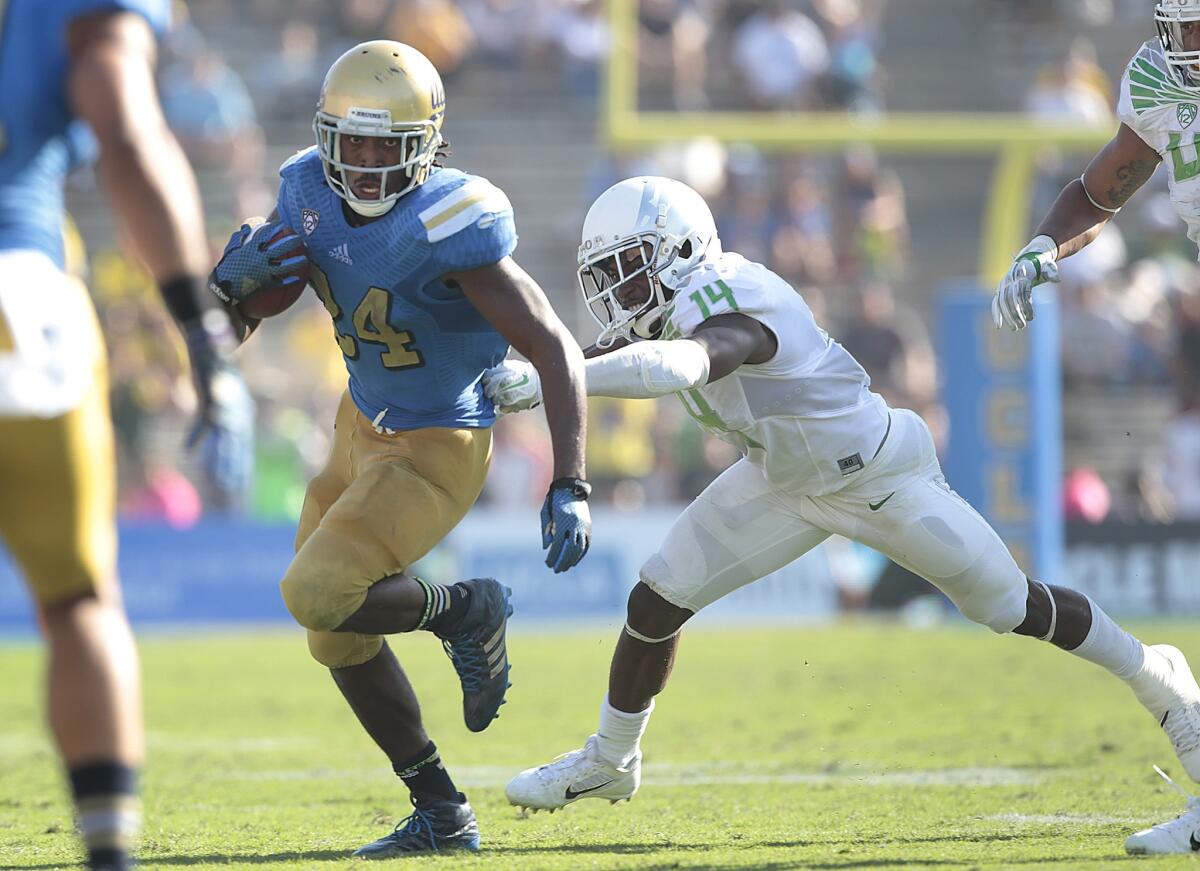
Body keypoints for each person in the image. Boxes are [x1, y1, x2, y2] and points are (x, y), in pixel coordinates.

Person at [484, 176, 1200, 848]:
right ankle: (611, 757)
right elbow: (616, 348)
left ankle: (1153, 672)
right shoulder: (671, 304)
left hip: (880, 476)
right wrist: (547, 367)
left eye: (629, 265)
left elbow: (685, 363)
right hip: (781, 480)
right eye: (605, 273)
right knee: (658, 592)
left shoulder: (735, 295)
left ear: (679, 253)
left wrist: (559, 373)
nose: (616, 288)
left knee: (1009, 604)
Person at [207, 40, 591, 859]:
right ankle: (443, 813)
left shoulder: (451, 222)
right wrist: (229, 289)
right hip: (358, 426)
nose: (369, 163)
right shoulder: (305, 192)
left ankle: (466, 609)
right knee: (334, 630)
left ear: (429, 145)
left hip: (436, 443)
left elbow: (555, 346)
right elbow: (243, 318)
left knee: (314, 592)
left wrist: (573, 480)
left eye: (388, 145)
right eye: (353, 144)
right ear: (325, 138)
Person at [0, 2, 254, 869]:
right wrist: (201, 330)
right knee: (78, 600)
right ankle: (108, 855)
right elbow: (126, 127)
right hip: (15, 296)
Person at [990, 1, 1200, 853]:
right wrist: (1044, 247)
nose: (1183, 46)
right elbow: (1102, 183)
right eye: (1175, 28)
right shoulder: (1155, 78)